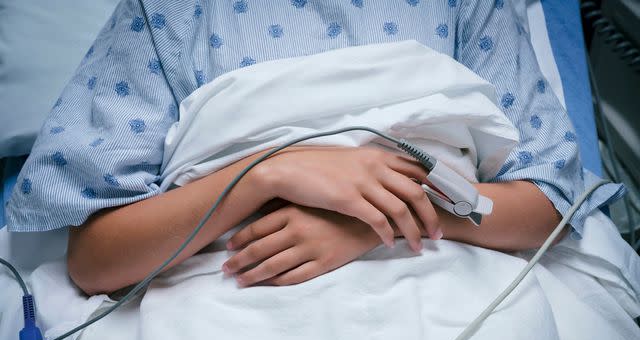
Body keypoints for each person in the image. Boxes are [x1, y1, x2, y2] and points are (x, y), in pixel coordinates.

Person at [6, 0, 622, 295]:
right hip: (223, 286)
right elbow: (94, 262)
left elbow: (549, 205)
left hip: (441, 271)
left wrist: (370, 225)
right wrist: (267, 173)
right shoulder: (166, 11)